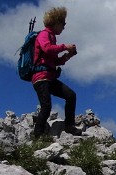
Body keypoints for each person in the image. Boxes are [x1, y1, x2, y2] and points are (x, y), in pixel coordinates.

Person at [31, 7, 81, 138]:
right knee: (46, 106)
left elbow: (54, 61)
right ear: (56, 22)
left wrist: (67, 56)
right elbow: (47, 49)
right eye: (63, 23)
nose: (64, 26)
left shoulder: (52, 38)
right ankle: (38, 135)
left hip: (50, 77)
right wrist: (65, 47)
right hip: (41, 78)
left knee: (71, 95)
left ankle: (69, 126)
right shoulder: (43, 35)